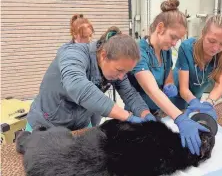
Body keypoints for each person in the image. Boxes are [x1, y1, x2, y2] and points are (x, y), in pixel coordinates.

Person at [25, 17, 153, 132]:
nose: (121, 76)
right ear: (103, 55)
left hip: (80, 125)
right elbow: (77, 86)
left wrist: (146, 116)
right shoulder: (73, 55)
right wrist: (127, 117)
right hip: (46, 126)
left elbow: (130, 94)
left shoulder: (115, 67)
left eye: (126, 72)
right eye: (119, 70)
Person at [127, 0, 209, 156]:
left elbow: (168, 71)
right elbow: (152, 90)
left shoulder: (165, 50)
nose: (175, 43)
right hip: (138, 115)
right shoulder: (138, 51)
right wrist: (180, 118)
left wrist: (168, 83)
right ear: (160, 27)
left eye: (178, 40)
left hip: (159, 111)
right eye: (173, 37)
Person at [172, 14, 222, 120]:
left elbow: (219, 85)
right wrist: (193, 102)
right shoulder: (187, 48)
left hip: (196, 96)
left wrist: (209, 102)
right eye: (212, 41)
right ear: (203, 34)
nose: (215, 48)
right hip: (175, 96)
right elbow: (184, 89)